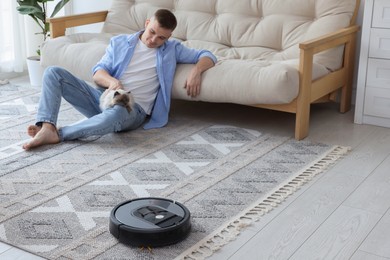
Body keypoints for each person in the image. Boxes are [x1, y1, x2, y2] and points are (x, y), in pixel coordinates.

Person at [23, 9, 217, 150]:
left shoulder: (172, 49)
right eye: (152, 32)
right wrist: (112, 82)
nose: (153, 40)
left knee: (116, 114)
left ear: (169, 37)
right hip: (104, 96)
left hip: (132, 109)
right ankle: (47, 126)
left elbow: (208, 55)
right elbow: (98, 72)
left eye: (161, 38)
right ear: (147, 23)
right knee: (53, 72)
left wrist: (196, 72)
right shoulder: (120, 43)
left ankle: (59, 134)